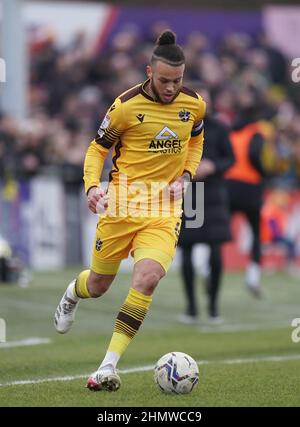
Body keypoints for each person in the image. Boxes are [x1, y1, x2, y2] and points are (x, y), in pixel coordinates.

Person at [54, 30, 206, 392]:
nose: (171, 88)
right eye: (165, 80)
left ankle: (107, 366)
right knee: (99, 284)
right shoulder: (124, 106)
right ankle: (73, 293)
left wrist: (186, 175)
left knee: (148, 279)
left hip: (164, 210)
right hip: (121, 206)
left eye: (178, 80)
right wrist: (92, 186)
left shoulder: (195, 104)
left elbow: (196, 140)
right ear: (149, 72)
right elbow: (96, 149)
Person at [178, 88, 234, 324]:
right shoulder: (180, 126)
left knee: (215, 249)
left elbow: (231, 159)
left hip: (213, 193)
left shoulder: (220, 128)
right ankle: (191, 306)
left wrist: (213, 167)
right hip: (190, 193)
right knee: (187, 248)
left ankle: (213, 306)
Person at [225, 88, 268, 297]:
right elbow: (255, 155)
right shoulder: (256, 131)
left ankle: (206, 268)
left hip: (230, 186)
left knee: (221, 230)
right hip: (251, 186)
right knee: (256, 233)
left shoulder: (232, 131)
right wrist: (264, 173)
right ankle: (253, 276)